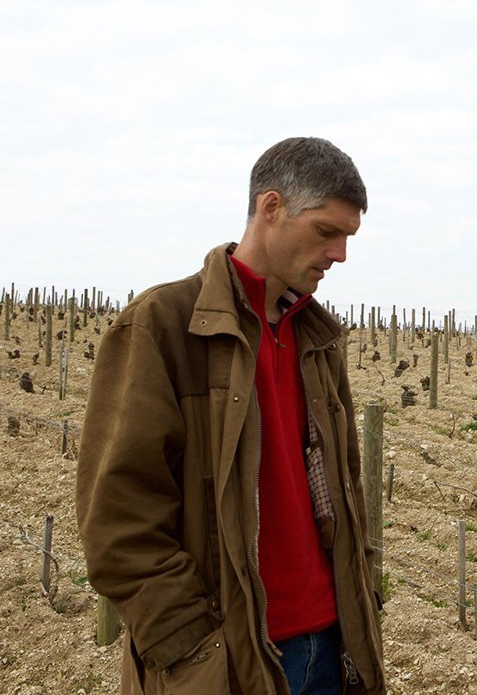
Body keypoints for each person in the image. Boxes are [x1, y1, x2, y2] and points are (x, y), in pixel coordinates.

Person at [77, 137, 385, 694]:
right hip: (231, 659)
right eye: (326, 231)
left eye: (347, 237)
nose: (340, 254)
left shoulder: (318, 339)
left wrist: (363, 603)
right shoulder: (162, 326)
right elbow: (118, 521)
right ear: (271, 209)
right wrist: (190, 646)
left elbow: (345, 490)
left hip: (336, 649)